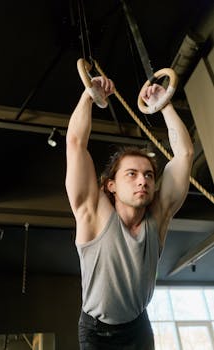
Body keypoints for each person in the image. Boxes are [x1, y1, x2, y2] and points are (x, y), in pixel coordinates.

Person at [65, 76, 194, 349]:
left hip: (138, 327)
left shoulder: (157, 217)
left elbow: (184, 155)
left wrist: (164, 105)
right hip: (96, 333)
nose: (142, 181)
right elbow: (76, 143)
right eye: (132, 174)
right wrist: (89, 95)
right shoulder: (93, 213)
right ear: (110, 185)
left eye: (148, 175)